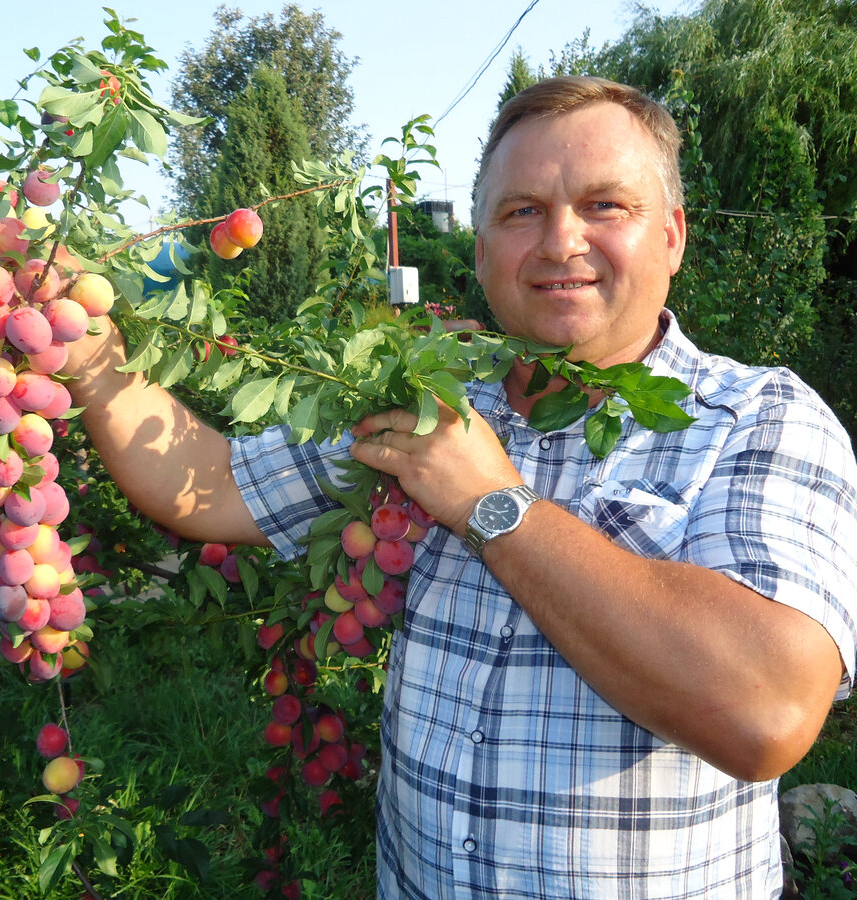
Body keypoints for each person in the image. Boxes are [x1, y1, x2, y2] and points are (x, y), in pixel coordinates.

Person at [64, 76, 857, 898]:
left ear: (673, 238)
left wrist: (493, 504)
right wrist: (85, 350)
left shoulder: (759, 418)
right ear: (480, 250)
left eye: (606, 206)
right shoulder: (426, 398)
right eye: (521, 212)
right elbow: (211, 484)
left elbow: (763, 711)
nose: (559, 241)